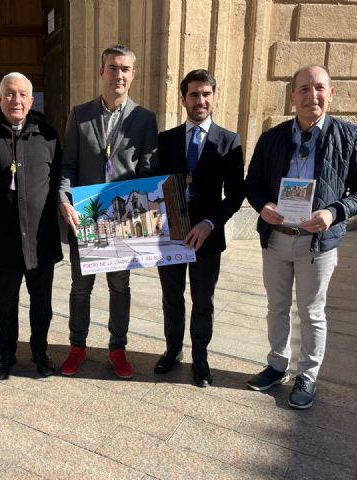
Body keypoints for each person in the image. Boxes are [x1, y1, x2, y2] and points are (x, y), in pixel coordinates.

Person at [245, 65, 357, 409]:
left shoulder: (351, 137)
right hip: (276, 238)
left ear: (331, 94)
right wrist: (263, 206)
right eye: (303, 89)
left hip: (317, 242)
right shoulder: (272, 138)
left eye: (319, 88)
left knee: (311, 311)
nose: (311, 96)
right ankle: (277, 365)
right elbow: (253, 184)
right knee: (276, 307)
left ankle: (307, 374)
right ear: (292, 96)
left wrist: (334, 212)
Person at [58, 44, 158, 379]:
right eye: (112, 68)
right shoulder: (80, 115)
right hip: (85, 214)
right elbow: (68, 165)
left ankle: (117, 349)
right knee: (80, 288)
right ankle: (77, 347)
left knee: (120, 287)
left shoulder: (144, 120)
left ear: (133, 75)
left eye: (125, 69)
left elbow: (147, 172)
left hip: (122, 218)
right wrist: (65, 200)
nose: (118, 74)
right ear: (102, 72)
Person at [0, 72, 63, 380]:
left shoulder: (48, 137)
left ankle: (40, 352)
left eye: (22, 94)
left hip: (41, 239)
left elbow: (61, 182)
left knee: (42, 305)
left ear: (31, 101)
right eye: (10, 94)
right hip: (4, 240)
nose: (16, 100)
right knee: (5, 303)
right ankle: (5, 354)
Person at [155, 69, 245, 386]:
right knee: (172, 298)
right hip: (170, 235)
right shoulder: (164, 141)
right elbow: (152, 185)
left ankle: (200, 358)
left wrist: (209, 223)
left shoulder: (229, 141)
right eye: (194, 94)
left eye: (206, 94)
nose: (200, 100)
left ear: (214, 97)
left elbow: (236, 195)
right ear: (183, 99)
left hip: (207, 237)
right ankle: (172, 351)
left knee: (202, 301)